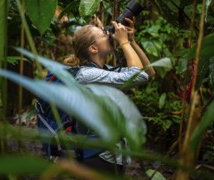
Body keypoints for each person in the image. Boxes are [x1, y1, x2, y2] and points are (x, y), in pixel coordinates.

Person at [62, 17, 156, 174]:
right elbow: (139, 76)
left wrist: (131, 41)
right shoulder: (87, 75)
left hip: (110, 155)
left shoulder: (103, 71)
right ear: (93, 49)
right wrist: (123, 43)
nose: (110, 35)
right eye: (104, 34)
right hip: (97, 157)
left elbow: (148, 73)